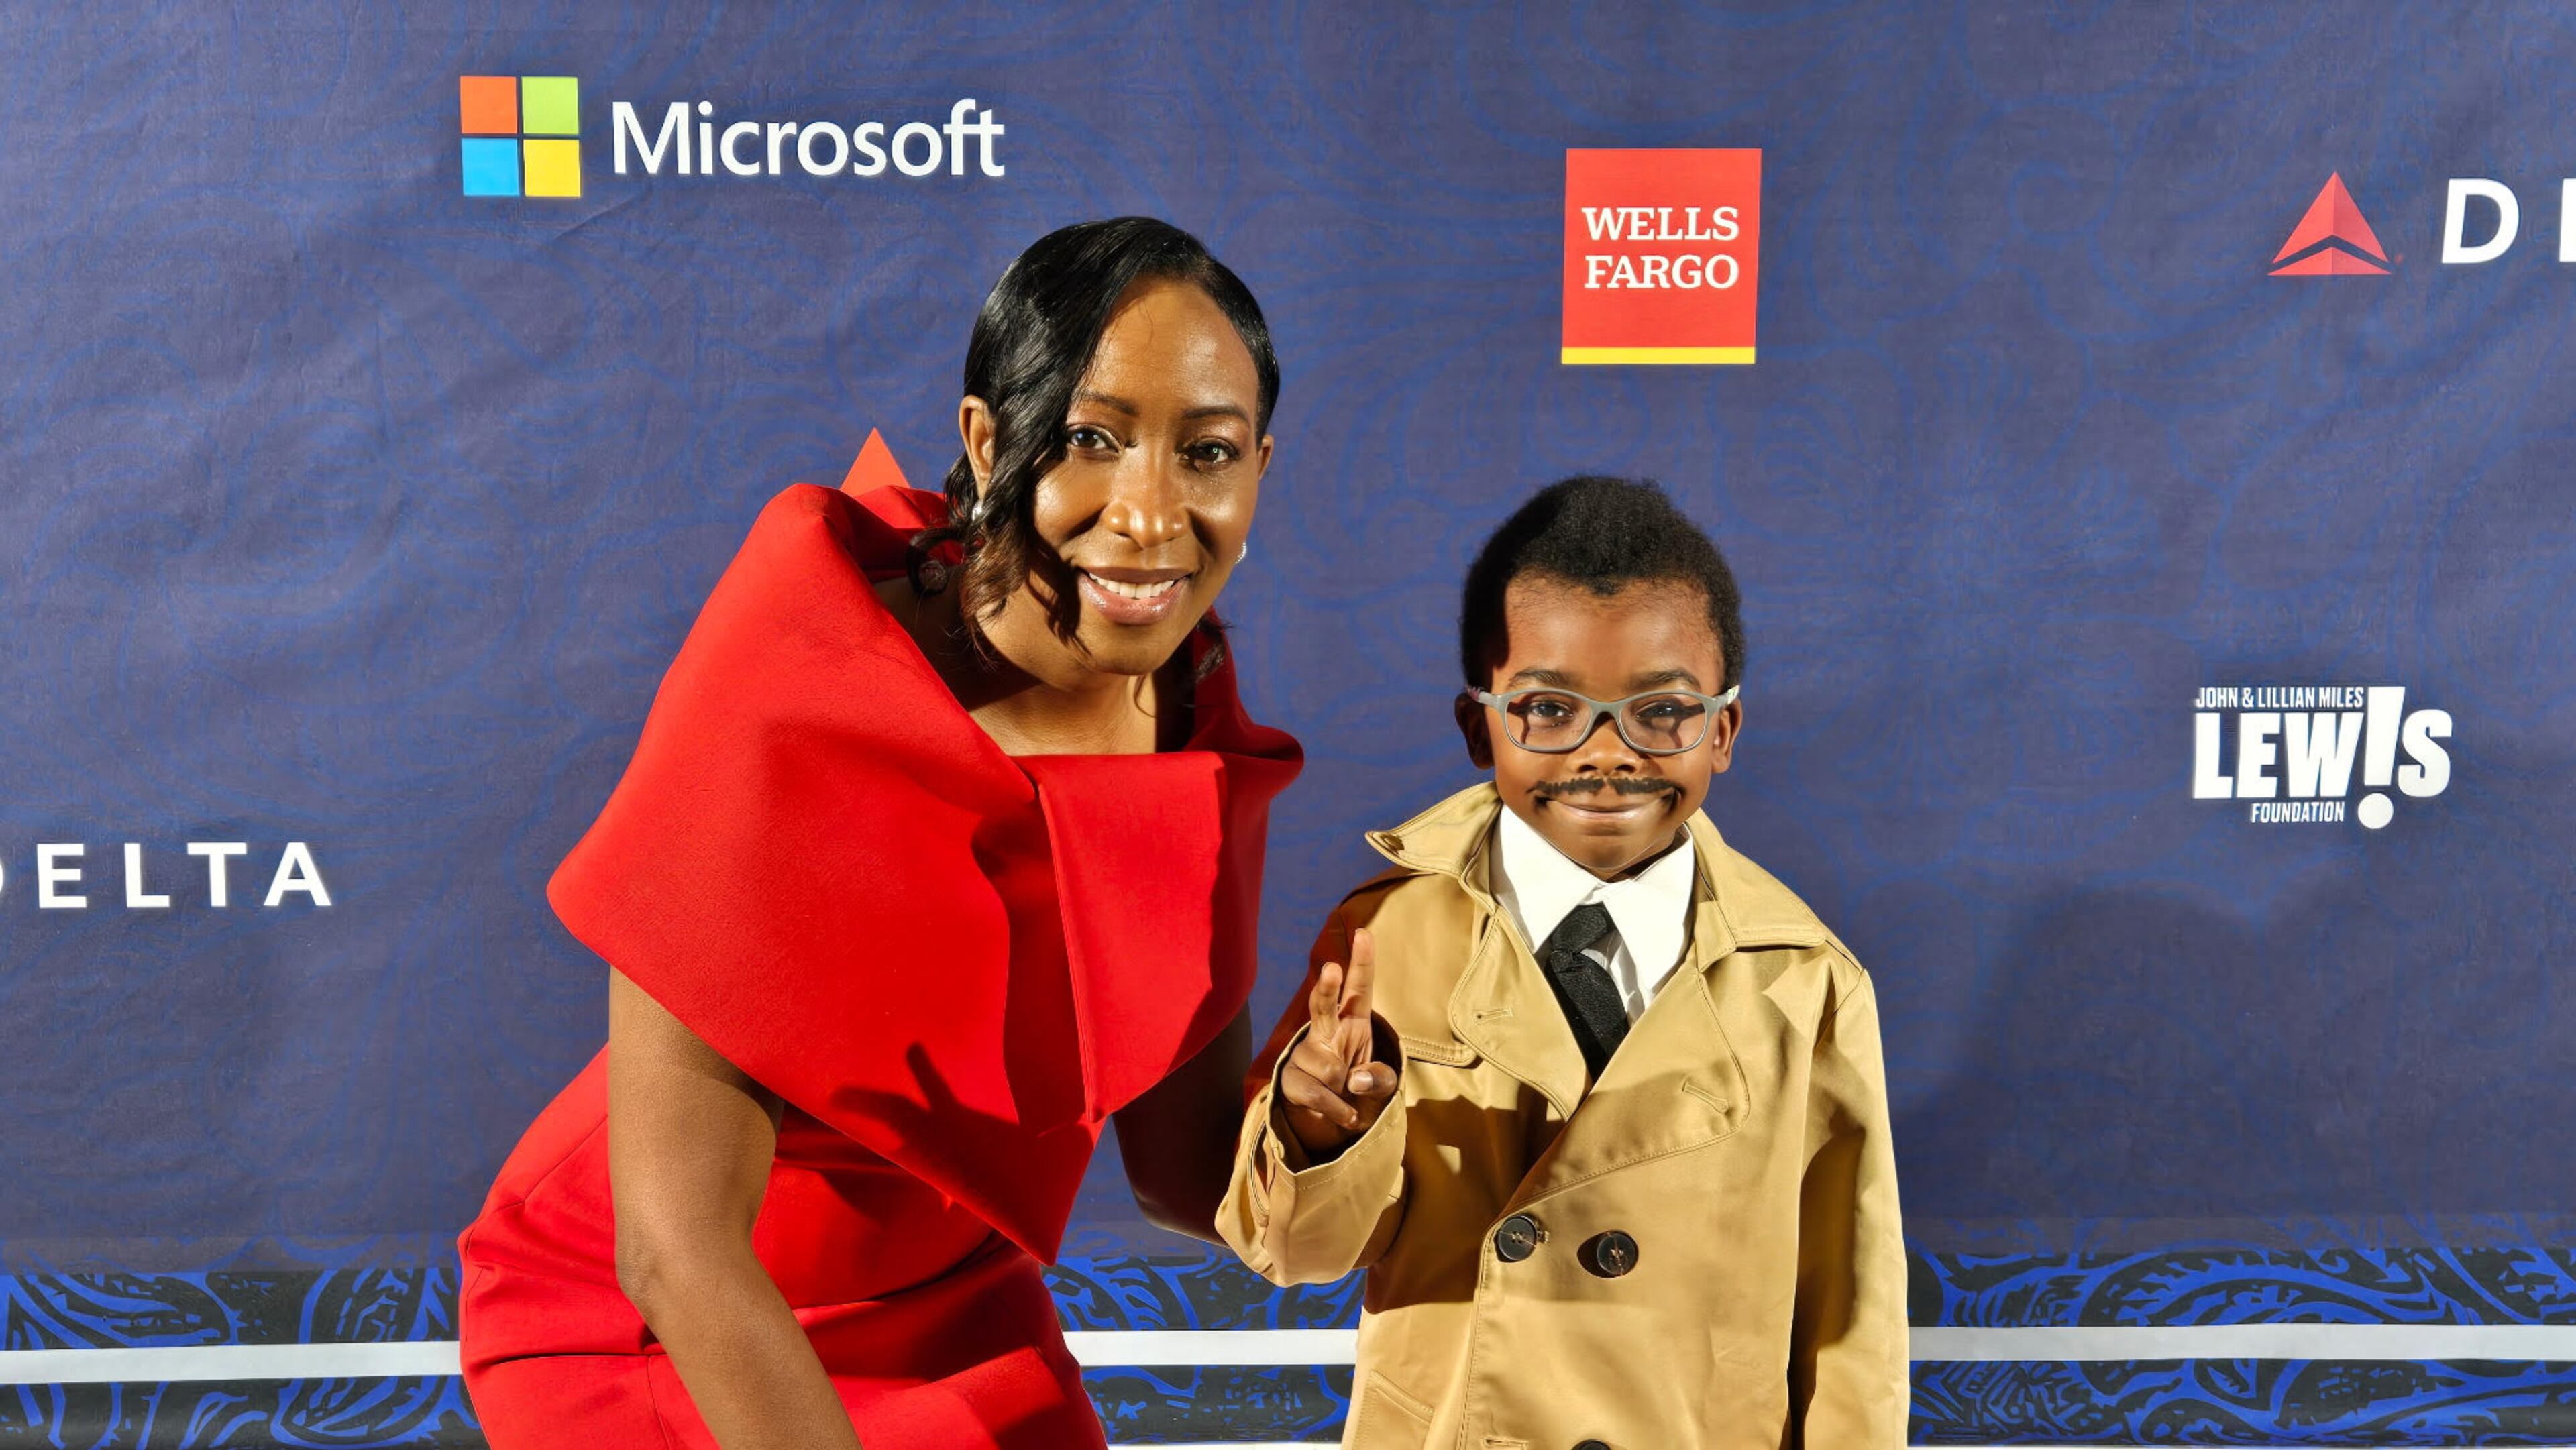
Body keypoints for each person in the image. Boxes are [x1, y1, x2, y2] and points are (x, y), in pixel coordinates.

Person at [457, 217, 1302, 1450]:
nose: (1150, 513)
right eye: (1091, 439)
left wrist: (1326, 1120)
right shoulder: (800, 670)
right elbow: (675, 1247)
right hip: (658, 1314)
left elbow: (1184, 1173)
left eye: (1207, 452)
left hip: (949, 1302)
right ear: (987, 439)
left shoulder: (1186, 709)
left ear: (1259, 469)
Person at [1217, 476, 1907, 1449]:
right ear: (1478, 725)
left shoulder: (1804, 981)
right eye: (1548, 707)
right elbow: (1291, 1251)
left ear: (1724, 730)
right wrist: (1317, 1131)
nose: (1608, 751)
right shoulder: (1388, 940)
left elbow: (1852, 1326)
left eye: (1661, 711)